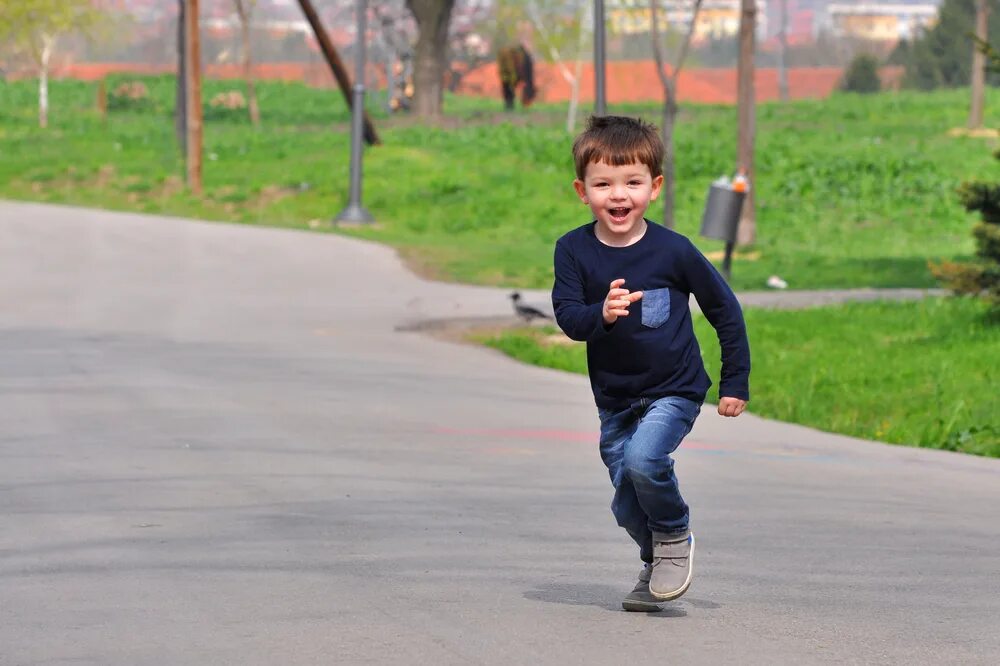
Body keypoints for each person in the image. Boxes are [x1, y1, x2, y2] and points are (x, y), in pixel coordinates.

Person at [551, 115, 751, 612]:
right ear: (582, 190)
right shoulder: (573, 250)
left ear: (654, 186)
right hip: (615, 399)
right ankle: (655, 561)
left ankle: (675, 535)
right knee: (625, 502)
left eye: (632, 182)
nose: (618, 195)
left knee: (644, 462)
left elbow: (724, 309)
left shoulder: (673, 250)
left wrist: (735, 381)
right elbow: (569, 317)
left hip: (674, 389)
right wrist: (601, 314)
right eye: (603, 184)